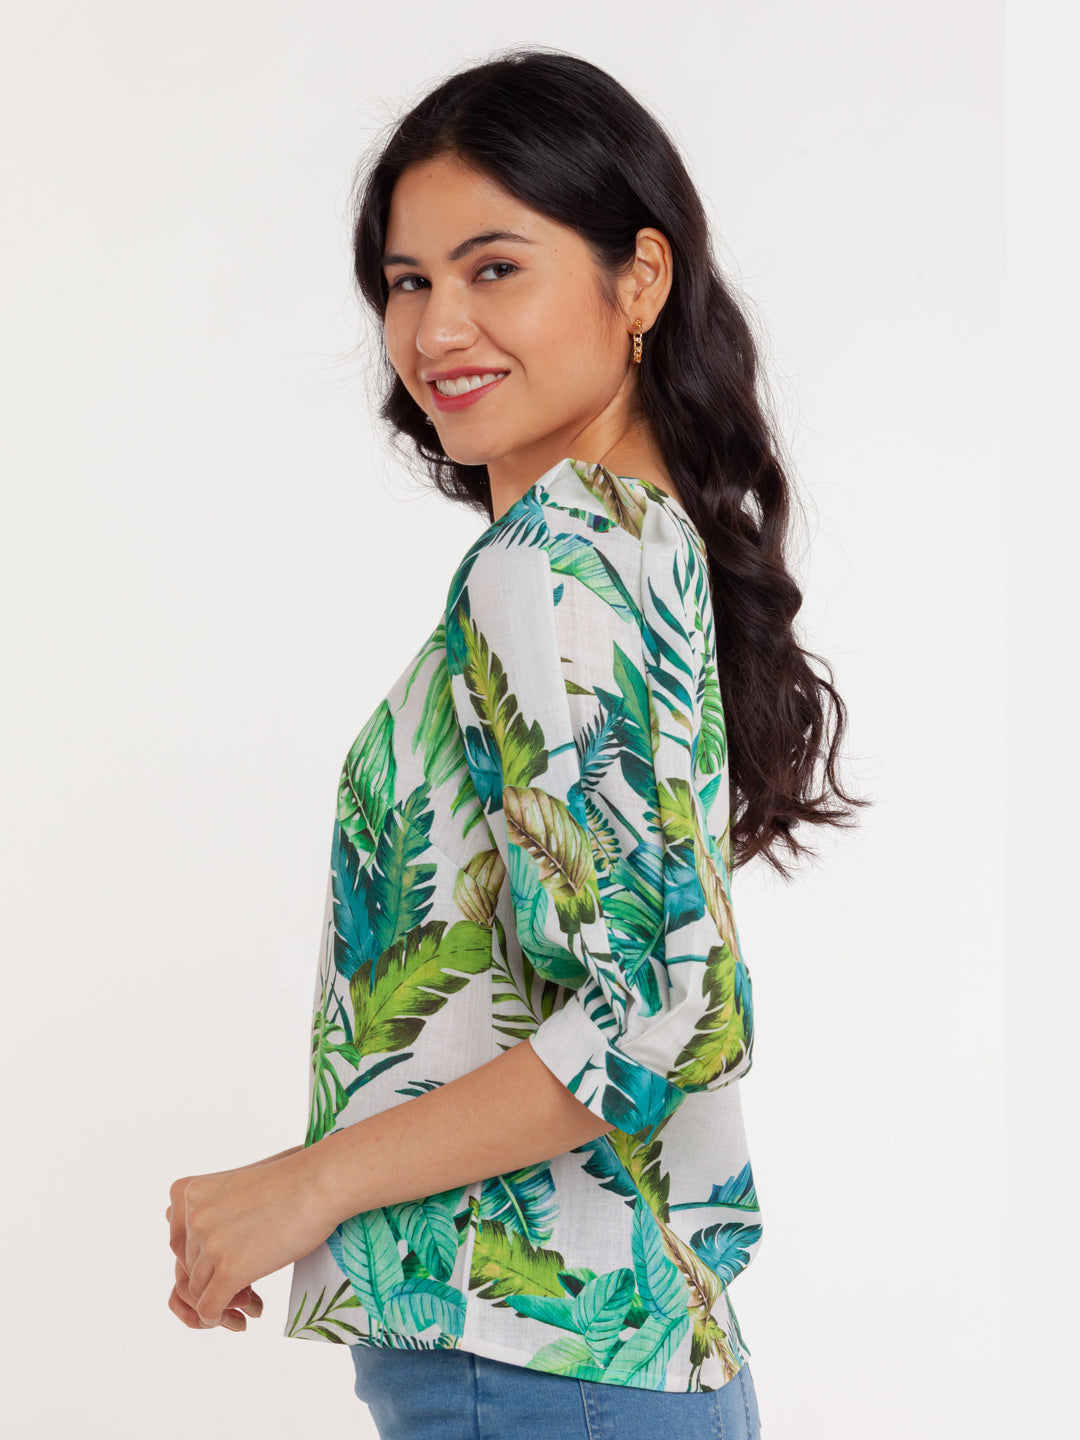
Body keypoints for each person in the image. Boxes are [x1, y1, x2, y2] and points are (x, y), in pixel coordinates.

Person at [165, 47, 867, 1440]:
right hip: (602, 1363)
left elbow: (662, 1010)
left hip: (535, 1367)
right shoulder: (634, 547)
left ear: (640, 281)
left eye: (494, 269)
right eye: (406, 282)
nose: (436, 328)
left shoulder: (554, 564)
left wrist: (304, 1185)